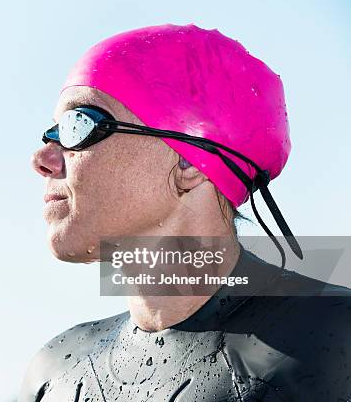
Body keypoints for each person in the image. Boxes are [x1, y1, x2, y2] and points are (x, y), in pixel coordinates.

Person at [20, 24, 351, 401]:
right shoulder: (55, 372)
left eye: (78, 125)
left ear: (189, 163)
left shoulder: (334, 342)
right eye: (51, 133)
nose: (42, 159)